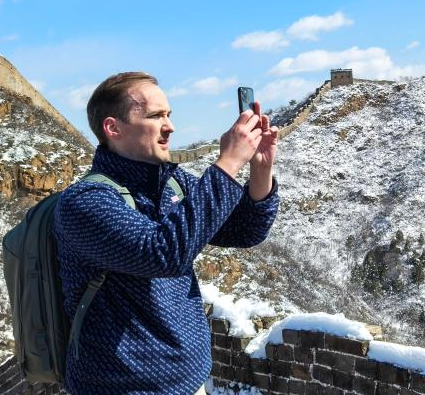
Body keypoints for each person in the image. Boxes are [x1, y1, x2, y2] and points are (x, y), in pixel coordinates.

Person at [53, 71, 279, 395]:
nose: (169, 126)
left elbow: (246, 230)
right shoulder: (85, 202)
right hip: (124, 388)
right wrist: (228, 162)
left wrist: (260, 169)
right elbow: (163, 253)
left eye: (169, 115)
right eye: (155, 116)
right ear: (113, 128)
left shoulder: (172, 183)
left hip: (191, 381)